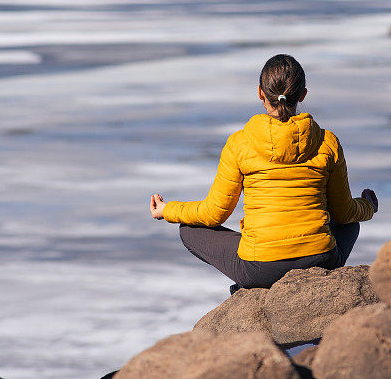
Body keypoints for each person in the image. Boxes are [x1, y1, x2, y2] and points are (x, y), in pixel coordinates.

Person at [149, 53, 378, 292]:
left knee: (189, 230)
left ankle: (248, 288)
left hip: (260, 268)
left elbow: (213, 214)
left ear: (260, 93)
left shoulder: (240, 143)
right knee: (351, 224)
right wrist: (367, 205)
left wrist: (168, 210)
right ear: (302, 95)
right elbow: (344, 212)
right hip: (320, 259)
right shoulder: (327, 142)